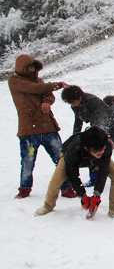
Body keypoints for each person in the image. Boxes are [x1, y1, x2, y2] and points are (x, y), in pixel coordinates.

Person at [8, 54, 76, 199]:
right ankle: (25, 188)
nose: (32, 69)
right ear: (22, 67)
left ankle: (67, 187)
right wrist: (55, 85)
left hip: (48, 127)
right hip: (28, 129)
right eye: (29, 66)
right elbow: (34, 88)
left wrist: (47, 101)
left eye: (34, 66)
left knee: (61, 158)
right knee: (28, 161)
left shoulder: (39, 81)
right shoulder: (14, 81)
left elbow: (48, 94)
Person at [61, 86, 114, 191]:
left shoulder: (92, 100)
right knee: (90, 152)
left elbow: (103, 117)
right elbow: (78, 122)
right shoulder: (75, 106)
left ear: (80, 97)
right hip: (97, 127)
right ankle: (93, 179)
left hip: (113, 126)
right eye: (70, 103)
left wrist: (100, 136)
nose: (72, 105)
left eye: (73, 102)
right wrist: (75, 137)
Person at [35, 126, 114, 218]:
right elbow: (73, 174)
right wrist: (82, 195)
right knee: (56, 180)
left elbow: (103, 171)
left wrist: (97, 195)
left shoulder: (106, 146)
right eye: (98, 151)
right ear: (87, 148)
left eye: (103, 149)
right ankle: (48, 206)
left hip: (94, 160)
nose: (102, 152)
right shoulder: (73, 150)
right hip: (71, 157)